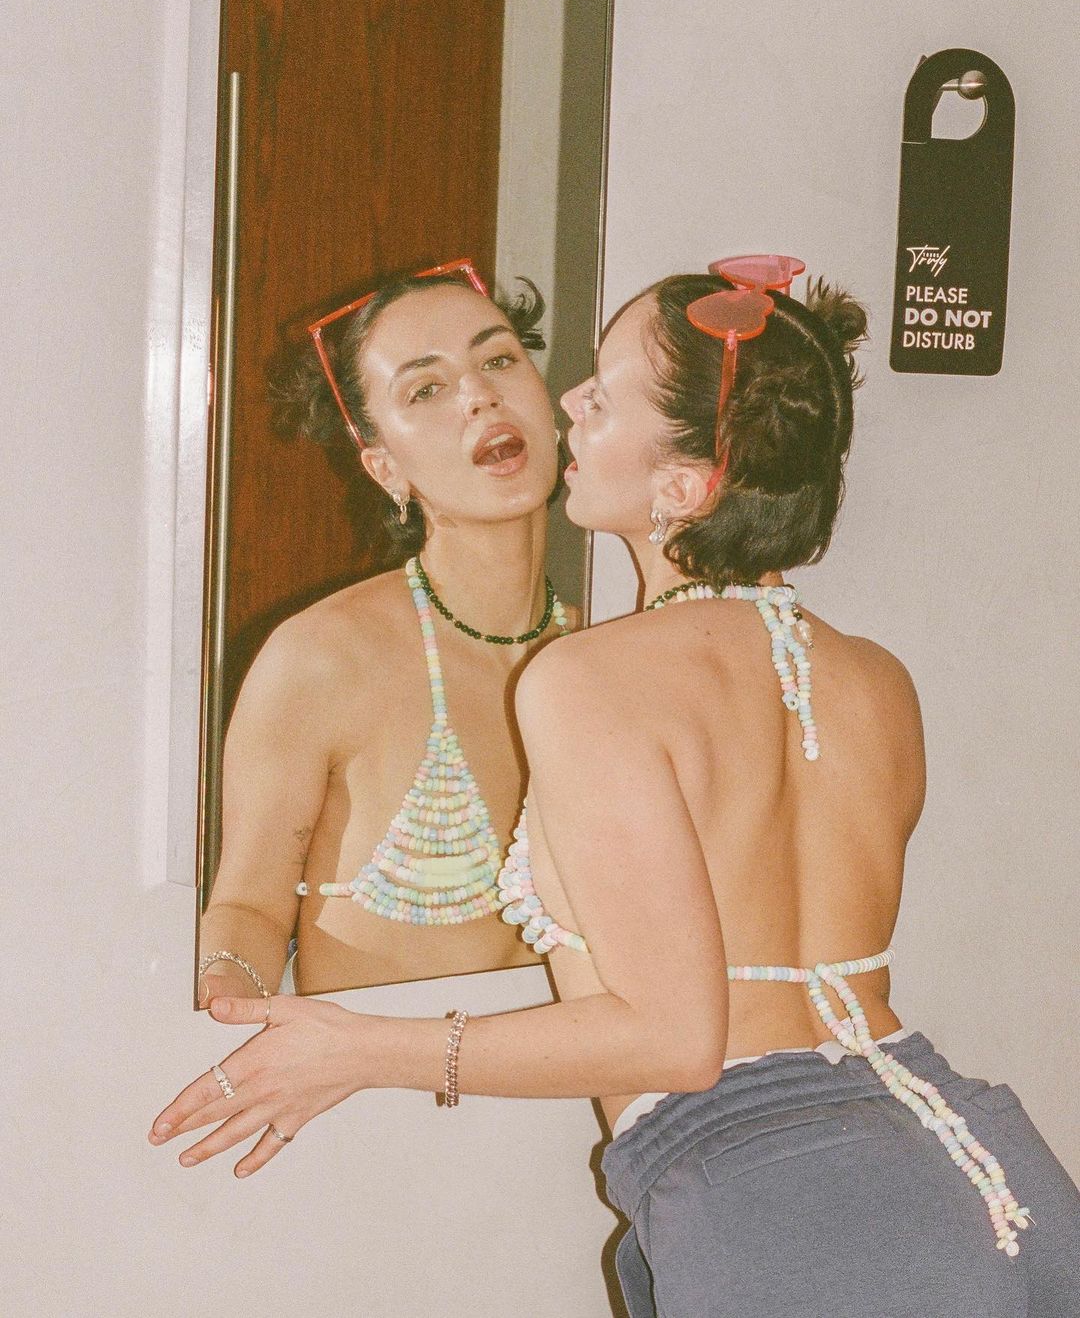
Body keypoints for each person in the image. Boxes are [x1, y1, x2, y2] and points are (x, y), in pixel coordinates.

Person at [156, 257, 1079, 1315]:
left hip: (789, 1212)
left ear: (681, 486)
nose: (561, 403)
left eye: (595, 391)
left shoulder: (592, 674)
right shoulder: (874, 677)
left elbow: (675, 1039)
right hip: (981, 1166)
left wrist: (360, 1050)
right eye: (431, 386)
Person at [198, 261, 577, 1001]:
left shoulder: (606, 655)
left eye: (499, 359)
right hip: (373, 1070)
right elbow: (247, 909)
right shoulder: (322, 656)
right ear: (383, 468)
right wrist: (229, 1002)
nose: (479, 395)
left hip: (570, 1072)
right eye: (425, 389)